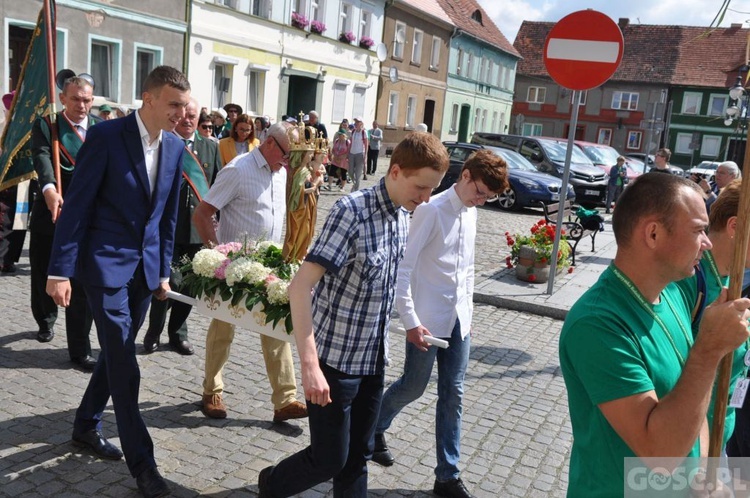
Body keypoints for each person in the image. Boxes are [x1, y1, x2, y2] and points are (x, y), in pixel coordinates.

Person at [258, 132, 450, 498]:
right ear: (395, 171)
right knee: (330, 458)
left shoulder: (402, 217)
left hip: (373, 362)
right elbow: (300, 288)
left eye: (431, 190)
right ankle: (272, 483)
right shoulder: (351, 212)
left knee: (358, 456)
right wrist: (310, 367)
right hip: (335, 364)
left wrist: (412, 324)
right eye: (421, 187)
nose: (426, 198)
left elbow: (391, 285)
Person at [45, 65, 191, 498]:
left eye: (185, 105)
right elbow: (77, 207)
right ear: (148, 99)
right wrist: (59, 270)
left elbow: (167, 218)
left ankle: (86, 425)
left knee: (114, 354)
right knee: (125, 363)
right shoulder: (107, 137)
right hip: (104, 267)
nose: (182, 114)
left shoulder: (177, 147)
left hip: (144, 273)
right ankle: (143, 466)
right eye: (174, 105)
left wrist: (162, 271)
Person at [558, 173, 750, 496]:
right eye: (699, 230)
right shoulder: (595, 324)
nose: (707, 242)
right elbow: (660, 455)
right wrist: (709, 349)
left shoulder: (672, 293)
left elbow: (694, 399)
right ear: (653, 233)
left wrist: (703, 474)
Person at [371, 150, 508, 498]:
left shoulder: (472, 214)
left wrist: (469, 316)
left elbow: (468, 270)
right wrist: (412, 322)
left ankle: (447, 475)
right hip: (427, 322)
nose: (480, 200)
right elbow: (403, 270)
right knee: (413, 387)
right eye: (479, 192)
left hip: (459, 320)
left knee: (454, 393)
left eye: (487, 197)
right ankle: (373, 428)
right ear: (465, 176)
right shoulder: (430, 211)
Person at [192, 122, 308, 423]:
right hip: (233, 269)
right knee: (222, 330)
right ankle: (212, 390)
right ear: (270, 144)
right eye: (286, 155)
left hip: (269, 266)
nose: (288, 162)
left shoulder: (281, 172)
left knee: (277, 330)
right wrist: (217, 255)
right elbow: (202, 213)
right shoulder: (238, 170)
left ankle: (285, 400)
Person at [673, 179, 750, 455]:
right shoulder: (689, 281)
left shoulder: (735, 278)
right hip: (688, 448)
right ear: (735, 228)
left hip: (722, 438)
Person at [29, 76, 101, 370]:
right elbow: (42, 157)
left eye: (86, 100)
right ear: (63, 98)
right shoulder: (48, 125)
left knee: (82, 282)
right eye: (75, 99)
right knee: (45, 270)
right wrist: (49, 189)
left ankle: (79, 349)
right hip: (52, 210)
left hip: (88, 218)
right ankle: (45, 319)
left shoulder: (101, 129)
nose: (81, 105)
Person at [142, 99, 221, 355]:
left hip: (197, 231)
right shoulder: (164, 143)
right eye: (184, 115)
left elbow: (218, 187)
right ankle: (154, 331)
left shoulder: (210, 147)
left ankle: (178, 333)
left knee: (190, 285)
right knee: (167, 282)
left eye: (193, 116)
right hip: (169, 229)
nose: (188, 120)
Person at [283, 127, 327, 262]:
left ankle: (301, 254)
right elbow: (297, 192)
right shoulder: (299, 172)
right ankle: (293, 256)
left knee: (307, 232)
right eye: (308, 154)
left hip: (308, 205)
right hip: (300, 209)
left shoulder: (306, 169)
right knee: (301, 232)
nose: (311, 156)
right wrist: (313, 188)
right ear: (301, 155)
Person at [349, 117, 367, 187]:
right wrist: (348, 153)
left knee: (358, 173)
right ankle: (354, 183)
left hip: (360, 154)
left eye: (358, 122)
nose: (356, 123)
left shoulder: (364, 132)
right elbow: (350, 143)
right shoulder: (353, 131)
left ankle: (355, 188)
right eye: (355, 122)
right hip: (351, 153)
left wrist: (365, 155)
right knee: (350, 172)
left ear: (361, 123)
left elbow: (366, 144)